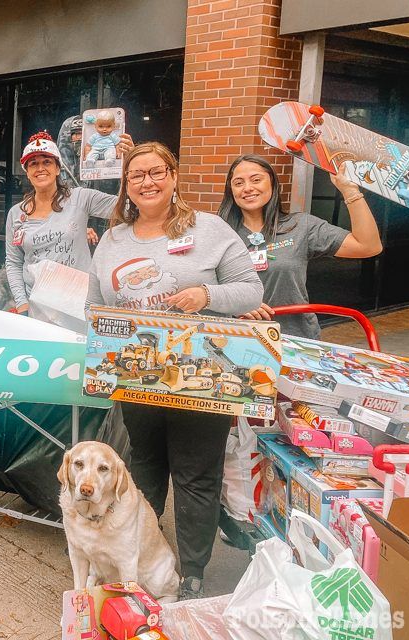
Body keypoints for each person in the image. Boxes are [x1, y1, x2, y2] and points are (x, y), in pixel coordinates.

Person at [86, 142, 263, 600]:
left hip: (201, 378)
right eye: (136, 175)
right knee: (144, 470)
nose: (147, 182)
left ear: (173, 176)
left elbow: (250, 289)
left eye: (156, 172)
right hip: (137, 379)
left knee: (196, 476)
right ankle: (141, 559)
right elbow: (94, 305)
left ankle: (193, 572)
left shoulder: (209, 229)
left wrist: (207, 295)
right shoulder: (113, 239)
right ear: (126, 185)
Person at [217, 154, 383, 340]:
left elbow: (368, 246)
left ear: (272, 183)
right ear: (231, 190)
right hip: (236, 338)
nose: (247, 188)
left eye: (256, 180)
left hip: (295, 339)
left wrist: (349, 190)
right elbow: (200, 285)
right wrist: (235, 303)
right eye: (238, 183)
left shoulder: (301, 226)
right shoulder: (219, 234)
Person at [5, 130, 133, 313]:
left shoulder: (80, 198)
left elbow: (126, 209)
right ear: (27, 172)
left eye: (47, 162)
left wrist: (129, 166)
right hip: (36, 307)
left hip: (78, 305)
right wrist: (22, 303)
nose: (40, 168)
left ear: (58, 168)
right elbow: (14, 262)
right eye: (33, 164)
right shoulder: (16, 213)